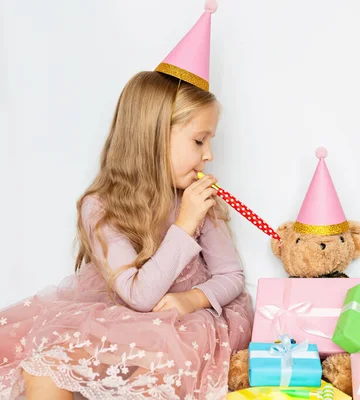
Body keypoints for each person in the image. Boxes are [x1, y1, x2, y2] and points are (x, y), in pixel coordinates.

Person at [0, 2, 252, 399]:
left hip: (185, 329)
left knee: (155, 368)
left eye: (211, 141)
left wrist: (192, 299)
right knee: (43, 365)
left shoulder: (199, 200)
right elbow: (139, 297)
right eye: (199, 141)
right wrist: (183, 225)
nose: (209, 155)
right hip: (120, 317)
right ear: (153, 137)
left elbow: (232, 277)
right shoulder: (100, 207)